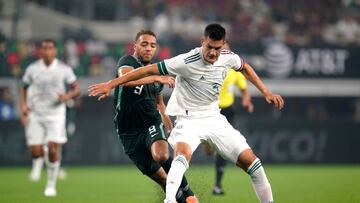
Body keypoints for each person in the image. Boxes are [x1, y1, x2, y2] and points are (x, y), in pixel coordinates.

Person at [88, 23, 284, 203]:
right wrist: (110, 84)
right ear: (202, 42)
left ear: (223, 45)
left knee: (254, 164)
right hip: (186, 120)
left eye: (217, 48)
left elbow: (245, 67)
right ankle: (174, 199)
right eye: (209, 47)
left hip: (214, 118)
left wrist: (266, 92)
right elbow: (144, 72)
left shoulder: (228, 58)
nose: (213, 53)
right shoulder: (185, 61)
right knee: (179, 158)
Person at [107, 30, 197, 203]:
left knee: (161, 155)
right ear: (135, 46)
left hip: (150, 123)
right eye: (144, 44)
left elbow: (159, 102)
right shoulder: (128, 61)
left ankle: (190, 195)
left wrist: (165, 116)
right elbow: (125, 79)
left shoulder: (156, 73)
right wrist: (156, 77)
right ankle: (181, 199)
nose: (149, 48)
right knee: (164, 180)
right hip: (128, 132)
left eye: (153, 45)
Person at [20, 39, 80, 197]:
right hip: (36, 113)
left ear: (55, 51)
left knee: (53, 147)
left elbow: (76, 89)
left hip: (55, 114)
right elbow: (24, 87)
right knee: (36, 152)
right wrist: (23, 106)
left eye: (50, 48)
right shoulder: (32, 69)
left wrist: (67, 96)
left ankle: (51, 185)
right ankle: (40, 158)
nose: (47, 51)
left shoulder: (63, 69)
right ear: (40, 51)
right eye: (44, 48)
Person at [209, 48, 254, 195]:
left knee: (223, 150)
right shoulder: (207, 66)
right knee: (209, 149)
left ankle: (217, 185)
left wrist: (247, 100)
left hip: (226, 111)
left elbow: (243, 88)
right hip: (209, 110)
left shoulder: (234, 70)